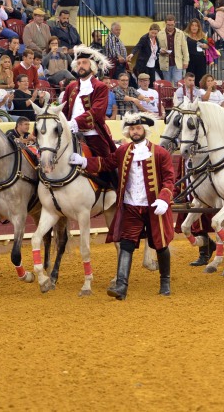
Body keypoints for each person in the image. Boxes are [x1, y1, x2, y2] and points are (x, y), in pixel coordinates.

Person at [69, 113, 176, 298]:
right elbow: (106, 163)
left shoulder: (160, 153)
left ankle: (165, 282)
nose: (135, 132)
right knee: (126, 244)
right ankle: (121, 286)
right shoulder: (123, 151)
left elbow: (169, 179)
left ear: (145, 130)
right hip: (131, 206)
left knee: (160, 244)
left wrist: (164, 198)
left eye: (138, 128)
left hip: (154, 207)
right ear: (128, 132)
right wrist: (85, 162)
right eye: (132, 129)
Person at [61, 46, 116, 160]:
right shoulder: (71, 87)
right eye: (79, 63)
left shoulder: (100, 87)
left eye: (84, 62)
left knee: (104, 163)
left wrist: (75, 123)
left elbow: (97, 112)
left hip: (93, 134)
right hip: (70, 134)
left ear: (92, 66)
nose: (80, 65)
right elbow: (64, 110)